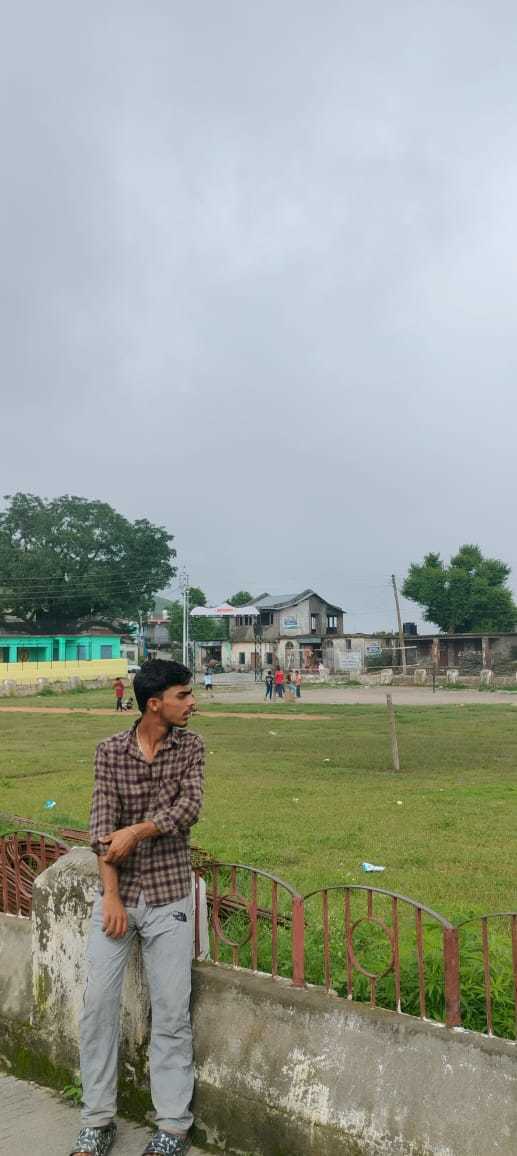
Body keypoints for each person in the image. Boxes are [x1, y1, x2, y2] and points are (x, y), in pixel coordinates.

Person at [71, 659, 204, 1156]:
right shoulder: (110, 752)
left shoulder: (190, 747)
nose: (192, 703)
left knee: (171, 1012)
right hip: (119, 895)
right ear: (154, 704)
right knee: (98, 1008)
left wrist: (138, 831)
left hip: (169, 896)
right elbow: (101, 830)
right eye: (183, 695)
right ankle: (97, 1120)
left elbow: (188, 809)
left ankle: (173, 1125)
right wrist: (110, 896)